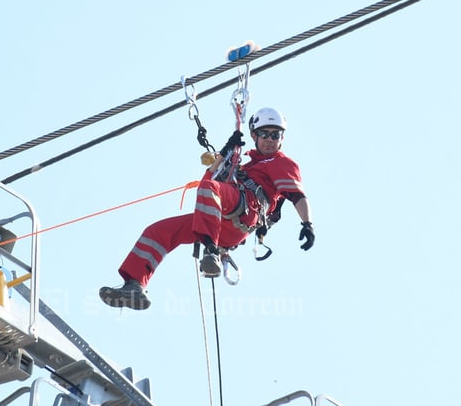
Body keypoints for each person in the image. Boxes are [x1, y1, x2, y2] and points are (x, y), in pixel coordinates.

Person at [99, 107, 315, 310]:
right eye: (264, 134)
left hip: (245, 211)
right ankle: (134, 286)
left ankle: (210, 251)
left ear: (282, 139)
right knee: (157, 232)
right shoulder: (245, 164)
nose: (269, 140)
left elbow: (297, 195)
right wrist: (226, 152)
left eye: (275, 135)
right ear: (254, 135)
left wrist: (307, 224)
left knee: (210, 189)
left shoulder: (282, 163)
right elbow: (210, 177)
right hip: (220, 218)